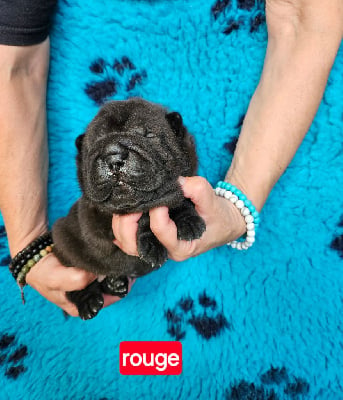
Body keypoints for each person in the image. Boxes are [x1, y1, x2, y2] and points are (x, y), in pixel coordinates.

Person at [0, 0, 342, 317]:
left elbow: (308, 21)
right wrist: (29, 242)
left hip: (276, 172)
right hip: (52, 195)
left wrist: (240, 205)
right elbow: (13, 59)